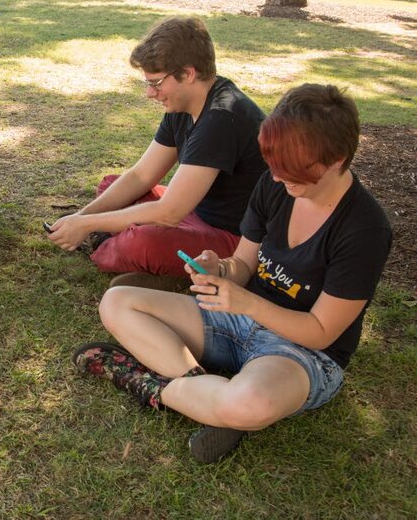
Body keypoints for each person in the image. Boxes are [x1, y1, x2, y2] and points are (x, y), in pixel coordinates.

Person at [73, 84, 392, 463]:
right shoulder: (275, 186)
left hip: (300, 353)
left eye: (294, 171)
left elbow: (321, 331)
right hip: (236, 320)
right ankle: (203, 391)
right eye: (274, 166)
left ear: (337, 159)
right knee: (117, 301)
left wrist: (246, 302)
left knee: (249, 403)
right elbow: (242, 265)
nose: (279, 180)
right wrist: (218, 269)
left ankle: (155, 386)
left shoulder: (364, 229)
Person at [47, 17, 267, 291]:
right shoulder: (183, 105)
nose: (150, 93)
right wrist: (81, 217)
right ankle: (120, 245)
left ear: (188, 74)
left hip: (234, 240)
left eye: (156, 82)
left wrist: (87, 224)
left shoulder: (222, 117)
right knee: (112, 185)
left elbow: (169, 213)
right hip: (195, 211)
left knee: (143, 243)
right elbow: (142, 175)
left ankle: (122, 251)